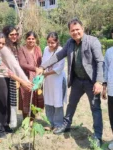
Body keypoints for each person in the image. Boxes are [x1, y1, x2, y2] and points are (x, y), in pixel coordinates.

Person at [37, 18, 104, 147]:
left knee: (95, 108)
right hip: (77, 81)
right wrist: (43, 66)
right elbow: (58, 56)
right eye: (72, 30)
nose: (75, 32)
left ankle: (98, 136)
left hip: (92, 82)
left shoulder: (92, 41)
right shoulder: (70, 43)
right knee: (71, 105)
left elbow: (100, 62)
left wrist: (99, 82)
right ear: (69, 32)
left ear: (82, 29)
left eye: (77, 29)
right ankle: (66, 125)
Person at [0, 26, 29, 138]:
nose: (14, 36)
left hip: (7, 76)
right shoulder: (4, 48)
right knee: (1, 103)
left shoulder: (10, 47)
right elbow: (14, 65)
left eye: (16, 34)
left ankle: (5, 125)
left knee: (7, 102)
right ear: (6, 35)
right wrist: (25, 81)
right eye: (11, 34)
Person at [41, 32, 67, 131]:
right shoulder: (45, 50)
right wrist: (43, 73)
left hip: (58, 80)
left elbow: (59, 68)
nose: (50, 45)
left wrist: (46, 73)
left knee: (57, 101)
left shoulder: (61, 50)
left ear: (57, 42)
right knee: (48, 100)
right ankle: (50, 122)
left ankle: (58, 124)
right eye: (48, 42)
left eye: (53, 43)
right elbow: (44, 63)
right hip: (48, 80)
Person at [18, 31, 44, 119]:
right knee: (25, 97)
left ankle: (33, 118)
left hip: (36, 77)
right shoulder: (22, 49)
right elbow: (22, 63)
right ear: (26, 40)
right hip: (25, 77)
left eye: (33, 39)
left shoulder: (38, 49)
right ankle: (25, 119)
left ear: (35, 39)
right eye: (29, 39)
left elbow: (41, 62)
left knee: (36, 97)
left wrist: (40, 70)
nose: (31, 40)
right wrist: (35, 69)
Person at [102, 47, 113, 150]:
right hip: (112, 90)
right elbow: (105, 69)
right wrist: (104, 87)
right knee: (112, 116)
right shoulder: (109, 51)